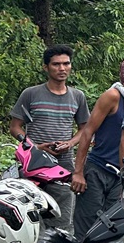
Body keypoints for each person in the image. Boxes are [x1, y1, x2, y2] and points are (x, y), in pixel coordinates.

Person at [10, 45, 89, 231]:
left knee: (62, 218)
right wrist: (34, 147)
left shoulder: (78, 96)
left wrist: (70, 143)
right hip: (32, 164)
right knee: (27, 216)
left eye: (66, 64)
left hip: (63, 165)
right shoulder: (31, 94)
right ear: (46, 67)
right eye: (56, 64)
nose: (62, 68)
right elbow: (15, 127)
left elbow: (84, 129)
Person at [70, 57, 124, 239]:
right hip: (98, 168)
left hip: (122, 175)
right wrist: (78, 172)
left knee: (113, 224)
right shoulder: (113, 96)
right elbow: (88, 132)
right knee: (86, 223)